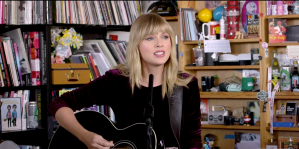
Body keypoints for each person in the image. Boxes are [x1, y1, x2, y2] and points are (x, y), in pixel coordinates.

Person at [49, 13, 202, 149]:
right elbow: (59, 104)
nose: (159, 43)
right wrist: (85, 136)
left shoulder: (186, 85)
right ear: (136, 46)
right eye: (150, 38)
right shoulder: (116, 80)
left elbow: (193, 140)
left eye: (165, 36)